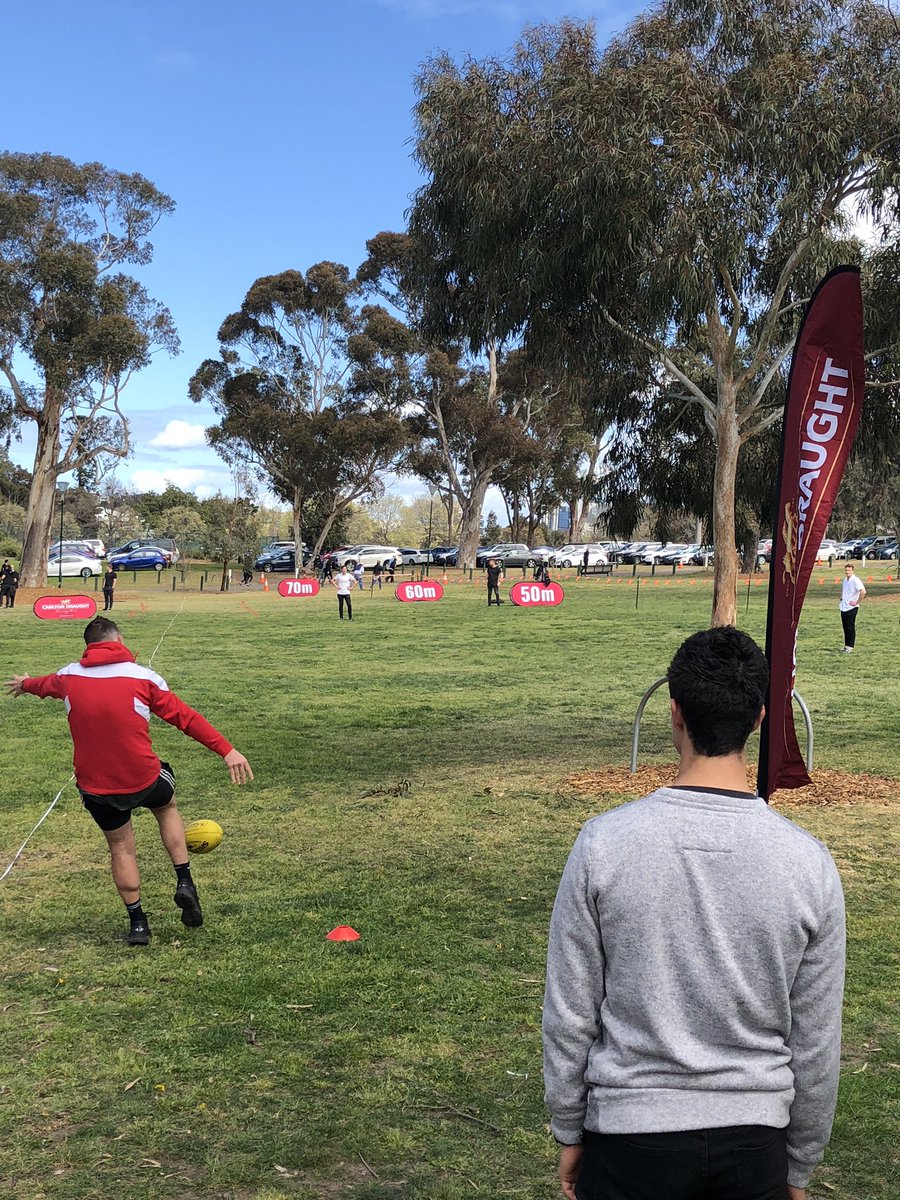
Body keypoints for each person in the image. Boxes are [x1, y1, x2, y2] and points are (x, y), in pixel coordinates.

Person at [544, 626, 845, 1200]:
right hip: (756, 1145)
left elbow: (570, 1010)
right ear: (759, 719)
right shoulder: (809, 864)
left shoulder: (604, 844)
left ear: (674, 713)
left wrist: (568, 1124)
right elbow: (816, 1041)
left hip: (630, 1138)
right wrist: (799, 1162)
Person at [4, 616, 253, 946]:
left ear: (88, 646)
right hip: (144, 778)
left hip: (96, 787)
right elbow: (186, 718)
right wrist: (227, 750)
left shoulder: (67, 676)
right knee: (166, 805)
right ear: (118, 639)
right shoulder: (144, 678)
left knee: (121, 847)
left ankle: (138, 924)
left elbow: (41, 684)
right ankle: (184, 881)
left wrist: (24, 683)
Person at [839, 563, 866, 653]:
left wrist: (857, 602)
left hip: (851, 607)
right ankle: (846, 646)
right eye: (846, 570)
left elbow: (863, 591)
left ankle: (850, 646)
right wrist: (842, 598)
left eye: (849, 570)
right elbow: (844, 590)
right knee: (845, 627)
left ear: (852, 571)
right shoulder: (845, 580)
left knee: (850, 627)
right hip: (844, 607)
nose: (847, 572)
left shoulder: (855, 580)